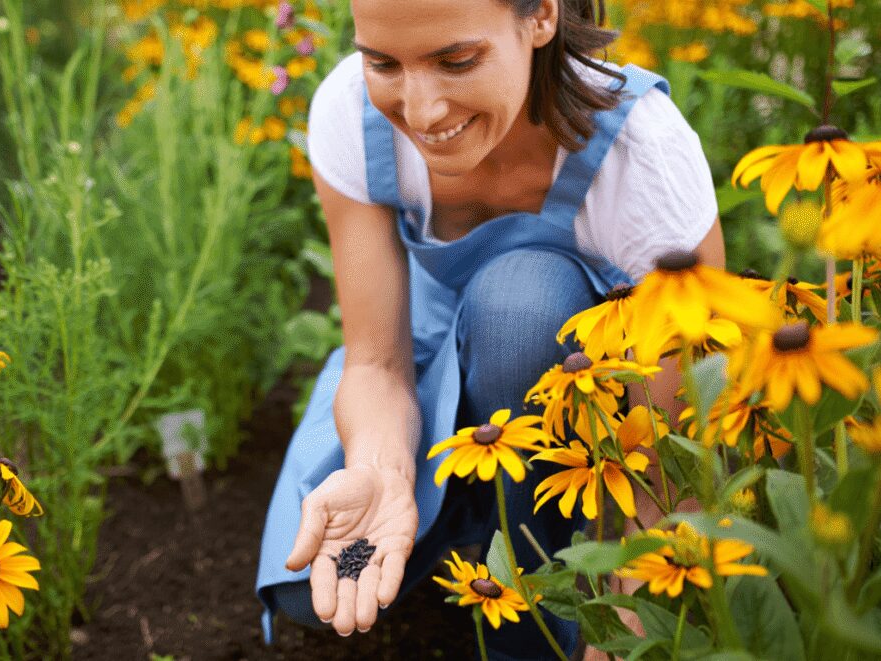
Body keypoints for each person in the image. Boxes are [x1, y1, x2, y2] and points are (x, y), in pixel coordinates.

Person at [256, 0, 724, 658]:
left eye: (456, 61)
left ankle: (540, 615)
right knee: (318, 583)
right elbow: (377, 364)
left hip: (593, 421)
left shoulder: (643, 157)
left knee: (519, 305)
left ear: (541, 19)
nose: (421, 112)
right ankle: (469, 523)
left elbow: (671, 469)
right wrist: (381, 472)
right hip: (428, 362)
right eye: (384, 62)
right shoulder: (350, 112)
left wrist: (624, 629)